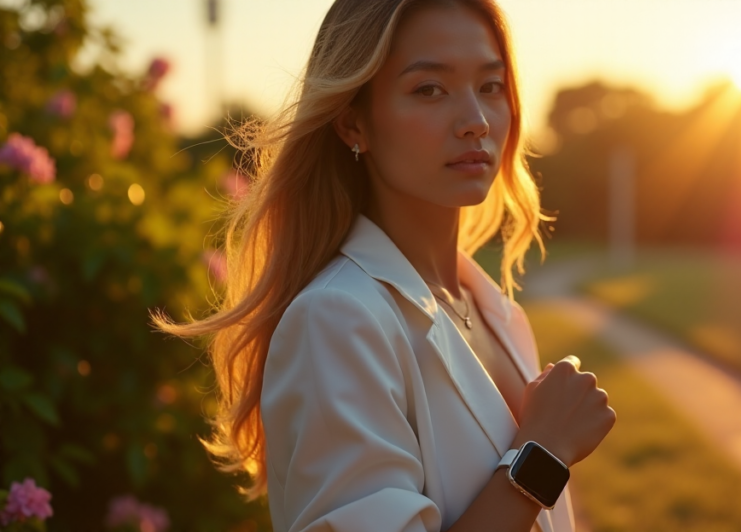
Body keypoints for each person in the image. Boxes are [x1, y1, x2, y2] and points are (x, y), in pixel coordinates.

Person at [154, 0, 616, 531]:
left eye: (490, 86)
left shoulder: (499, 313)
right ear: (354, 123)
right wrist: (543, 453)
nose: (476, 121)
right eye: (429, 89)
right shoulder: (335, 320)